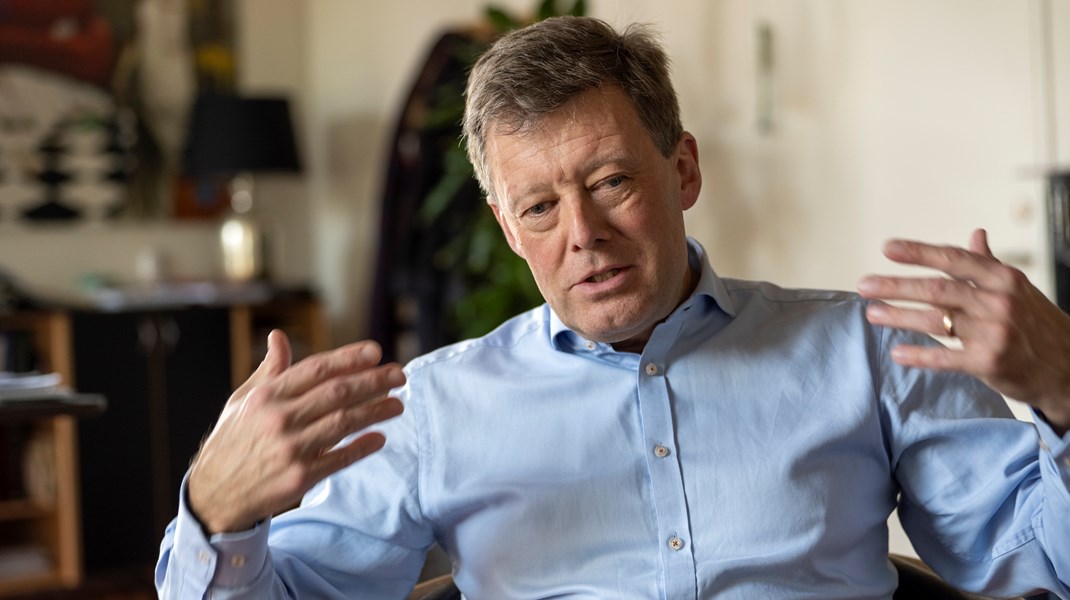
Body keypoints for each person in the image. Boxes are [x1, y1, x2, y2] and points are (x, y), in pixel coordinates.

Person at [156, 16, 1070, 599]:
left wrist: (1066, 390)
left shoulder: (865, 352)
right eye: (539, 207)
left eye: (610, 182)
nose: (583, 235)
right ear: (507, 228)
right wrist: (215, 513)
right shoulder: (433, 406)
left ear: (684, 170)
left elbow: (1040, 564)